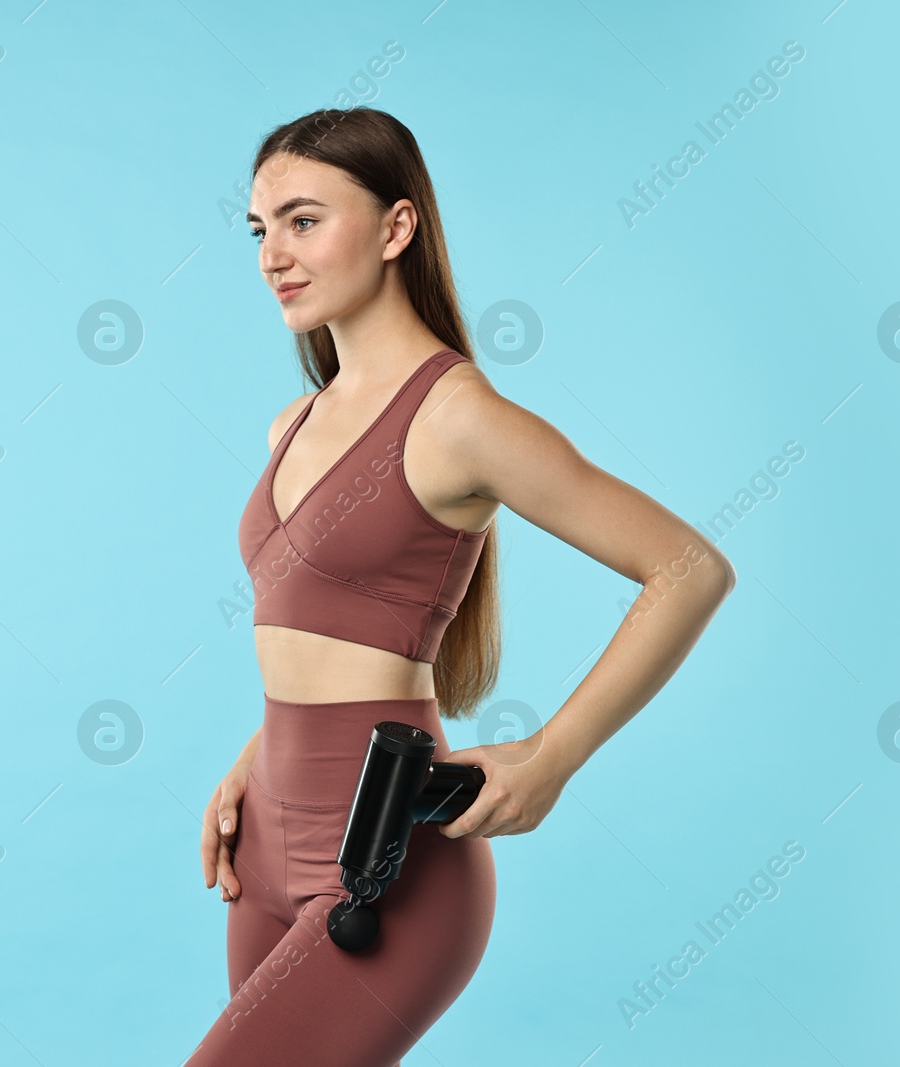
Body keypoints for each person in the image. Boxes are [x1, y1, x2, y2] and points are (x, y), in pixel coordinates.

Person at [186, 106, 735, 1066]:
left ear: (397, 228)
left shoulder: (458, 418)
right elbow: (319, 620)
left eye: (304, 220)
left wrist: (553, 755)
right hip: (263, 842)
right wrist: (255, 750)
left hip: (383, 857)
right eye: (259, 228)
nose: (273, 252)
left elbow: (688, 569)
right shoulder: (293, 424)